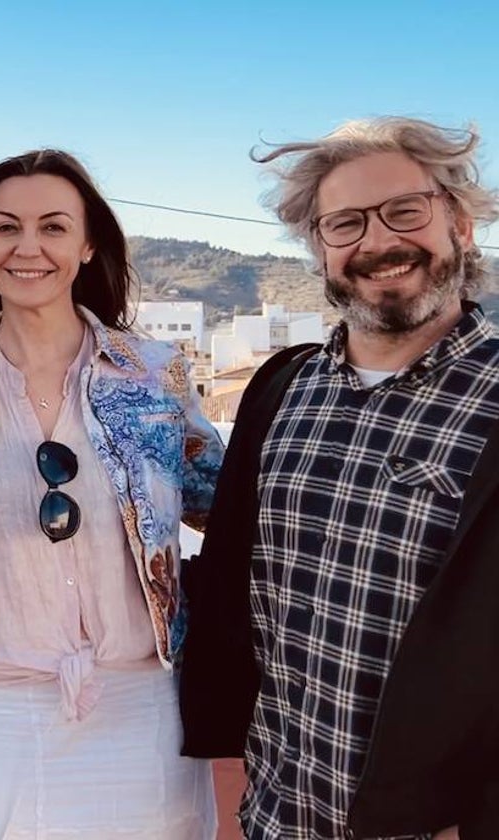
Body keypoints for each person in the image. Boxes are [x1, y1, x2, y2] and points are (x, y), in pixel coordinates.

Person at [180, 117, 499, 840]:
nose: (378, 242)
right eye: (345, 223)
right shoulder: (280, 391)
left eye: (404, 211)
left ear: (459, 223)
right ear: (318, 248)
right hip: (279, 814)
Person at [0, 149, 224, 839]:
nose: (28, 248)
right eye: (6, 227)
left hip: (142, 699)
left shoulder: (152, 376)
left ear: (88, 245)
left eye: (53, 227)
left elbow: (229, 509)